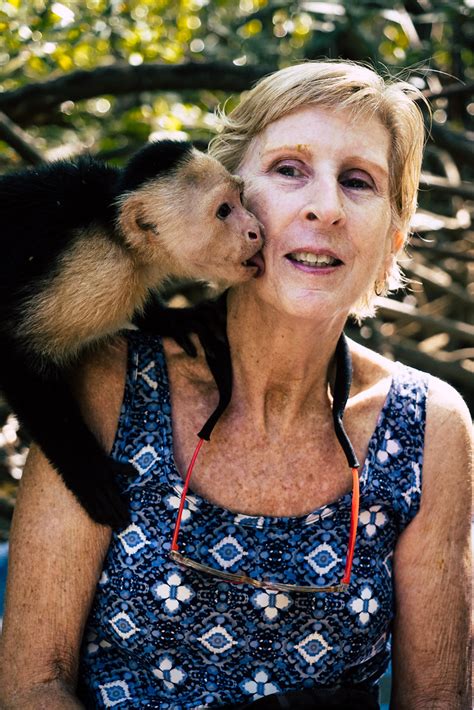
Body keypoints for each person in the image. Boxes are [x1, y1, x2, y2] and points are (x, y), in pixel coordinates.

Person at [0, 60, 471, 709]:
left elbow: (440, 701)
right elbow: (30, 685)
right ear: (230, 197)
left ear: (393, 242)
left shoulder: (428, 424)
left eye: (358, 182)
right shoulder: (112, 380)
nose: (325, 206)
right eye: (289, 170)